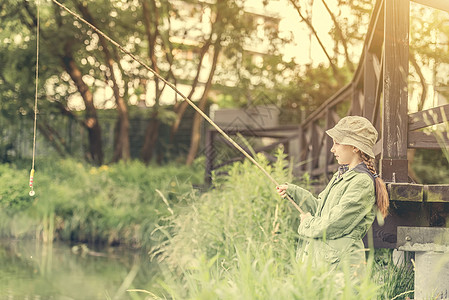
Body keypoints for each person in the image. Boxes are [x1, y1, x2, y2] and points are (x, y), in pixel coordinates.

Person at [276, 116, 389, 279]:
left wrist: (307, 223)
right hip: (325, 264)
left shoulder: (362, 182)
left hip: (341, 270)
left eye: (337, 143)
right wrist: (294, 192)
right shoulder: (341, 175)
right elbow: (320, 209)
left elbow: (334, 223)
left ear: (354, 147)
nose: (332, 149)